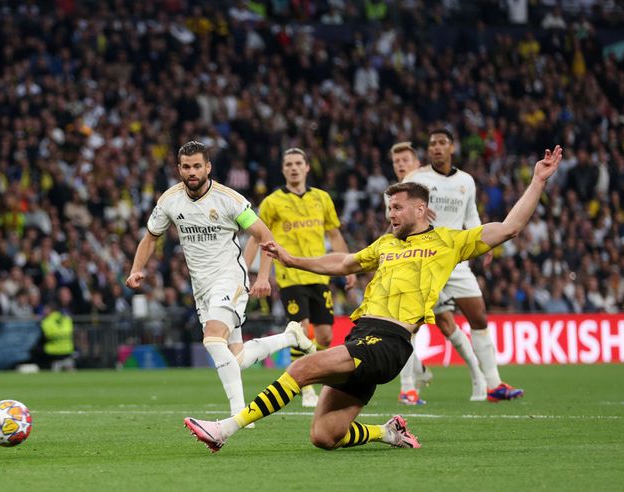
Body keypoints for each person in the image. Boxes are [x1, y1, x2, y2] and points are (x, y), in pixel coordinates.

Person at [183, 145, 562, 453]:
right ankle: (387, 432)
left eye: (397, 208)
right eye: (388, 208)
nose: (390, 214)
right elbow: (344, 262)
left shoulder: (448, 241)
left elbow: (509, 228)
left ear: (420, 208)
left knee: (302, 368)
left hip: (390, 341)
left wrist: (537, 182)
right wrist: (292, 259)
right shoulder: (385, 244)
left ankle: (224, 429)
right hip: (362, 337)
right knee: (324, 436)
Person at [126, 140, 315, 419]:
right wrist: (136, 269)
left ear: (208, 167)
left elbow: (265, 236)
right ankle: (290, 336)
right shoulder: (169, 200)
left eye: (197, 166)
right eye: (187, 167)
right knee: (234, 358)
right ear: (179, 169)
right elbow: (150, 237)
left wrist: (262, 275)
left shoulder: (231, 200)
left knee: (213, 339)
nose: (192, 172)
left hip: (230, 278)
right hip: (201, 286)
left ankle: (239, 416)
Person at [404, 128, 522, 402]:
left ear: (452, 147)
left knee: (478, 317)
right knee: (410, 324)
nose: (436, 147)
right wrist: (415, 211)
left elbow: (471, 215)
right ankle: (408, 387)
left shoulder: (466, 181)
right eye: (432, 143)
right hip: (426, 260)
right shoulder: (417, 178)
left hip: (457, 259)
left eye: (442, 143)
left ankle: (493, 384)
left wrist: (485, 242)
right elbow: (394, 203)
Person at [244, 147, 356, 407]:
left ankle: (317, 376)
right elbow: (259, 237)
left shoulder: (322, 198)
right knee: (301, 330)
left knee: (326, 336)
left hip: (320, 273)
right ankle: (305, 388)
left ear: (307, 167)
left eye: (298, 163)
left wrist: (348, 265)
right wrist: (249, 272)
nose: (293, 168)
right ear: (283, 169)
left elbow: (335, 234)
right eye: (289, 164)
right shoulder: (272, 202)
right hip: (290, 276)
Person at [389, 142, 485, 406]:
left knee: (442, 324)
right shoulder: (395, 196)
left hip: (441, 265)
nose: (400, 165)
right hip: (415, 267)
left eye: (405, 160)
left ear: (417, 164)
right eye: (396, 161)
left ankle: (479, 377)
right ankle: (411, 383)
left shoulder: (431, 188)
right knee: (414, 324)